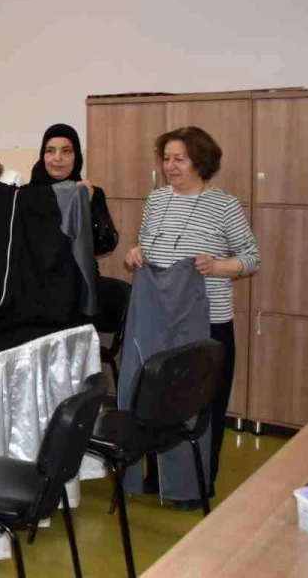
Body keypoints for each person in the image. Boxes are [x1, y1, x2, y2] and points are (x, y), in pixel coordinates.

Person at [123, 126, 260, 494]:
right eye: (166, 158)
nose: (170, 166)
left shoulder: (224, 205)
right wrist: (135, 253)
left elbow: (251, 258)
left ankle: (196, 484)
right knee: (155, 401)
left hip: (207, 323)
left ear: (200, 161)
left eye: (178, 159)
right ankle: (158, 477)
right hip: (159, 322)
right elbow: (147, 247)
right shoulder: (156, 201)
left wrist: (217, 267)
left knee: (200, 406)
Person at [29, 123, 124, 327]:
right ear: (42, 155)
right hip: (37, 288)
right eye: (50, 151)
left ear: (76, 156)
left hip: (79, 287)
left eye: (66, 151)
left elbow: (106, 244)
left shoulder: (90, 192)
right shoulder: (28, 195)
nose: (57, 158)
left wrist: (88, 205)